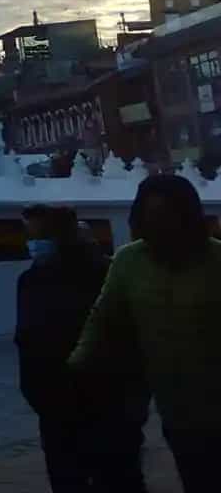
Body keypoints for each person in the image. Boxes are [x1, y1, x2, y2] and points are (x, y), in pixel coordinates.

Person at [71, 174, 221, 493]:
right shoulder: (128, 261)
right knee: (198, 478)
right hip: (176, 406)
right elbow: (103, 317)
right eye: (149, 217)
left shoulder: (217, 259)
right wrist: (78, 361)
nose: (159, 226)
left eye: (167, 216)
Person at [15, 204, 148, 492]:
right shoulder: (35, 280)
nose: (32, 244)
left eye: (37, 236)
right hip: (90, 405)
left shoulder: (103, 274)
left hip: (87, 404)